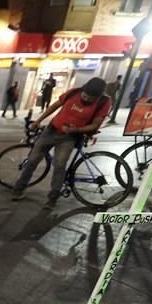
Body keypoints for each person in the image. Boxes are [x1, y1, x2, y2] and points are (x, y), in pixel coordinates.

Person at [10, 77, 112, 209]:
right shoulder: (73, 92)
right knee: (32, 161)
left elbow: (95, 125)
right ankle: (18, 189)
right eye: (85, 95)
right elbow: (54, 106)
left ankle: (53, 197)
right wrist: (38, 121)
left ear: (98, 97)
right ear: (82, 90)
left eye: (91, 98)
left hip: (69, 137)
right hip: (51, 131)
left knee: (59, 165)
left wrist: (77, 129)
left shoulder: (104, 102)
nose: (86, 99)